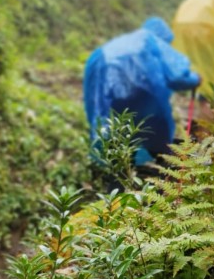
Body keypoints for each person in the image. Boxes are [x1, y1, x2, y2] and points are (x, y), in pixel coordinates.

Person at [83, 16, 201, 169]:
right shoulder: (154, 43)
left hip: (104, 76)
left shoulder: (121, 43)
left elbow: (95, 102)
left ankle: (115, 173)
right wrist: (195, 79)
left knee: (113, 127)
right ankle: (163, 165)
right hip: (141, 92)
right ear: (164, 37)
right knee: (155, 122)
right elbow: (177, 76)